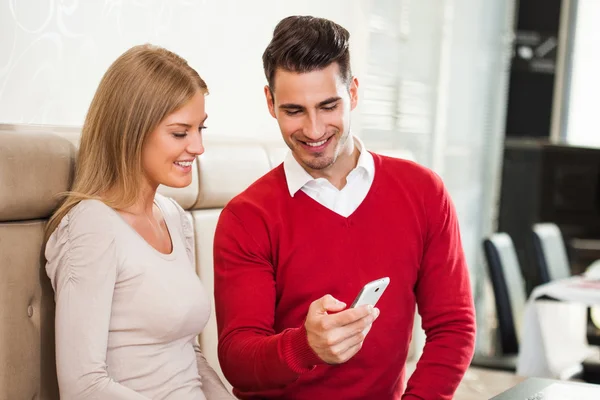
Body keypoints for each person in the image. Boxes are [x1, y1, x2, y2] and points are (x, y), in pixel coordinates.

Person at [213, 16, 476, 399]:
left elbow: (454, 327)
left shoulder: (422, 192)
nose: (315, 130)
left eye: (328, 105)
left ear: (352, 93)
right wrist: (305, 347)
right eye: (294, 111)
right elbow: (237, 358)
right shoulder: (248, 216)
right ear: (270, 103)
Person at [44, 44, 233, 400]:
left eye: (200, 129)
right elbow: (83, 387)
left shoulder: (174, 217)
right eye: (180, 133)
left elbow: (187, 355)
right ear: (130, 131)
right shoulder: (92, 225)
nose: (198, 147)